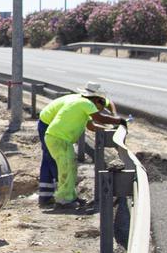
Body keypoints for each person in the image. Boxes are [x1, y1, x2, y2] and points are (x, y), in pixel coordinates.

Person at [37, 82, 125, 211]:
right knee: (65, 167)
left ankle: (69, 196)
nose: (100, 109)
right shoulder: (86, 104)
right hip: (58, 137)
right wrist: (119, 121)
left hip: (58, 138)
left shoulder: (82, 103)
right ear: (97, 100)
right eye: (100, 106)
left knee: (70, 166)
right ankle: (63, 200)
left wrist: (109, 125)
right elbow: (99, 118)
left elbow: (91, 126)